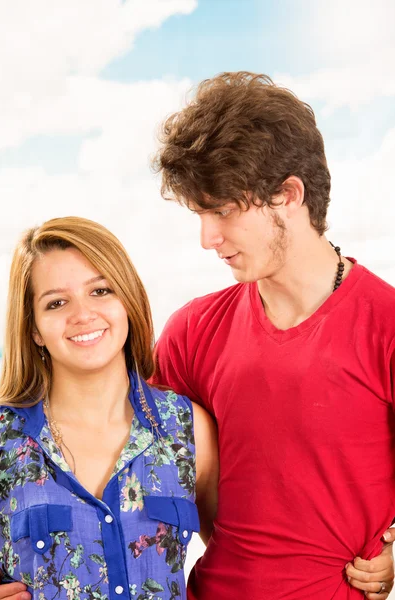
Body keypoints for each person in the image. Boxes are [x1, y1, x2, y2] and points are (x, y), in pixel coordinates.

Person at [151, 72, 395, 599]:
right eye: (199, 214)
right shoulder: (192, 332)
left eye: (222, 211)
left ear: (288, 195)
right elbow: (125, 469)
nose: (206, 238)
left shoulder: (387, 326)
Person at [0, 217, 218, 600]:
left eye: (100, 291)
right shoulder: (3, 438)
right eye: (57, 302)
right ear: (34, 328)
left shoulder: (187, 428)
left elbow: (241, 559)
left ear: (127, 301)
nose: (83, 314)